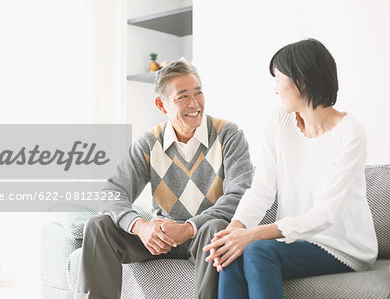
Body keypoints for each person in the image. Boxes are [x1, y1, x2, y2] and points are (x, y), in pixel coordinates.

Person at [204, 38, 378, 299]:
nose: (275, 90)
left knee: (257, 249)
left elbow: (324, 215)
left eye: (278, 80)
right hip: (296, 240)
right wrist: (235, 230)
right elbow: (262, 188)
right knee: (231, 252)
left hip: (344, 245)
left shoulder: (350, 133)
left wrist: (252, 235)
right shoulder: (279, 121)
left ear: (301, 81)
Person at [74, 59, 254, 299]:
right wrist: (141, 226)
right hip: (160, 238)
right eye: (182, 97)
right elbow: (112, 191)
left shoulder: (229, 135)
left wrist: (189, 228)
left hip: (201, 235)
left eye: (198, 93)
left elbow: (240, 195)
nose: (194, 103)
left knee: (217, 230)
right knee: (98, 225)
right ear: (162, 104)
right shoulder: (149, 142)